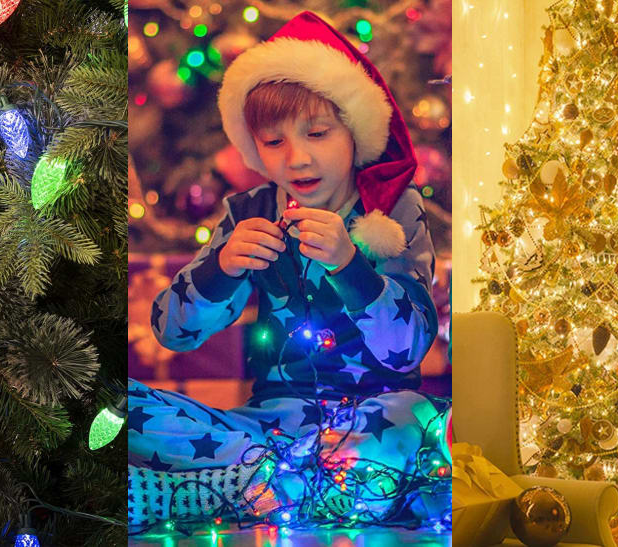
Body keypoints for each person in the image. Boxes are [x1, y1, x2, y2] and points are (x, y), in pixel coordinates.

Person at [128, 11, 443, 528]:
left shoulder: (391, 209)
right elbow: (171, 332)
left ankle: (241, 489)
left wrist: (349, 265)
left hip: (375, 417)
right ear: (254, 147)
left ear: (354, 133)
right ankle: (282, 483)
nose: (297, 159)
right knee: (119, 408)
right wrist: (222, 270)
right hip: (266, 429)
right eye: (274, 142)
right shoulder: (247, 212)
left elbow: (407, 346)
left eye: (317, 133)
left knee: (415, 423)